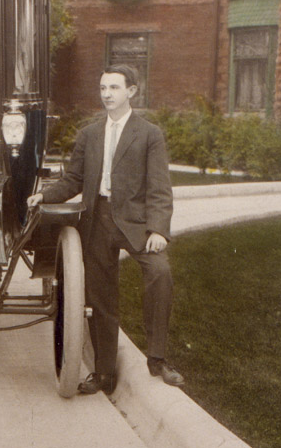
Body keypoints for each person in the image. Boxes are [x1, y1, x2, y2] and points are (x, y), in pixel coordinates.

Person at [27, 65, 184, 395]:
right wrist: (44, 195)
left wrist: (158, 230)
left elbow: (159, 187)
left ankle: (156, 357)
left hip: (137, 222)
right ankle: (103, 374)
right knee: (101, 298)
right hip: (98, 218)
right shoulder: (89, 133)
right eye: (103, 88)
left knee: (160, 273)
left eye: (114, 88)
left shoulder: (149, 133)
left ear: (132, 91)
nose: (107, 94)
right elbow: (73, 180)